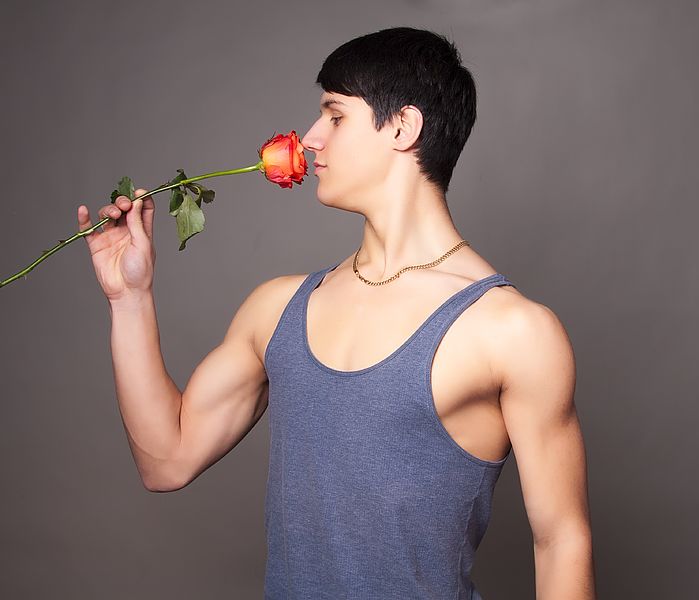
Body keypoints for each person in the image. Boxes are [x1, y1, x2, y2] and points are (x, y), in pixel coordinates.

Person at [78, 26, 595, 600]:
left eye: (335, 115)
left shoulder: (512, 330)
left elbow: (561, 540)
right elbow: (165, 461)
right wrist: (129, 299)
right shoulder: (276, 309)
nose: (310, 138)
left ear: (402, 126)